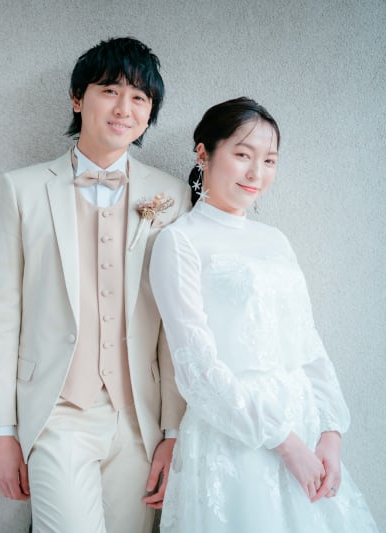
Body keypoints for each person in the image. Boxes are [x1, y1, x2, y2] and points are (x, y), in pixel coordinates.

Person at [0, 37, 191, 532]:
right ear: (78, 99)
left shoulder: (172, 195)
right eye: (110, 91)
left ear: (150, 113)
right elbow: (0, 316)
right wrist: (0, 432)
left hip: (139, 416)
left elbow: (176, 325)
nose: (124, 108)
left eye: (139, 97)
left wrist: (173, 431)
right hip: (57, 413)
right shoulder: (22, 189)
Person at [149, 97, 378, 532]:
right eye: (242, 155)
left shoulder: (275, 240)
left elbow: (307, 342)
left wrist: (330, 431)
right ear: (203, 154)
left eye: (269, 160)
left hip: (303, 424)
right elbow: (197, 368)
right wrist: (284, 443)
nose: (257, 173)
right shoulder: (179, 242)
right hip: (235, 435)